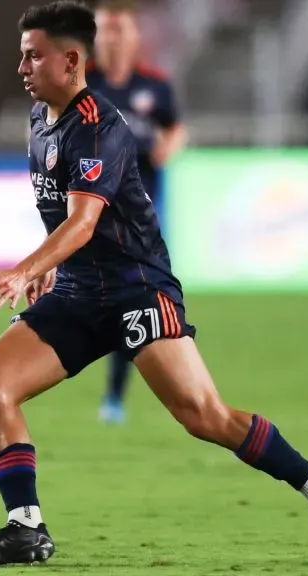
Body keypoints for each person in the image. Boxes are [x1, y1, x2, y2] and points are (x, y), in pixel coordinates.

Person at [0, 1, 308, 567]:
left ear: (71, 60)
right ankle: (25, 527)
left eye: (32, 56)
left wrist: (24, 267)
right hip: (78, 291)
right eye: (21, 56)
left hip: (135, 288)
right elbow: (61, 216)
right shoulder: (39, 121)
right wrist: (48, 266)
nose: (21, 67)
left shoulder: (99, 127)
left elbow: (84, 221)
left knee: (206, 417)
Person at [85, 0, 186, 424]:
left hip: (138, 219)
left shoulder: (154, 85)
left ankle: (115, 396)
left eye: (120, 29)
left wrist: (168, 147)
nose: (113, 36)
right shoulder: (81, 81)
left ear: (134, 36)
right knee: (108, 301)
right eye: (106, 29)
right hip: (91, 213)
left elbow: (175, 127)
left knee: (131, 302)